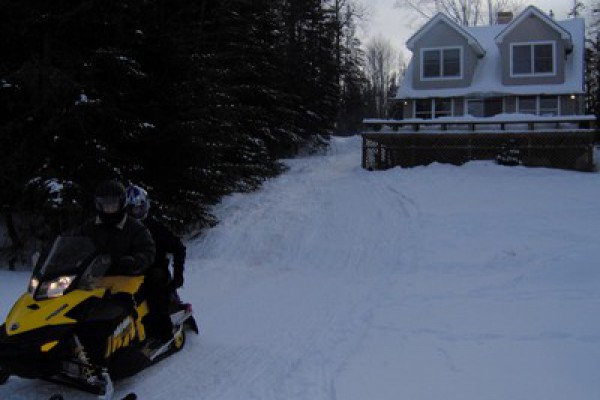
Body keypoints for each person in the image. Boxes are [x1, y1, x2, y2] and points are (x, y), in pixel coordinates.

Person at [125, 184, 187, 345]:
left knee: (153, 287)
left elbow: (178, 247)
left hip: (153, 270)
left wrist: (178, 275)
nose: (135, 213)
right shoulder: (121, 229)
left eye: (138, 209)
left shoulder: (155, 228)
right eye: (131, 209)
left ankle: (164, 331)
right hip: (128, 271)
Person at [83, 180, 155, 276]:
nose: (109, 208)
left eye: (113, 204)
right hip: (91, 278)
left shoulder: (135, 228)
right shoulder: (91, 226)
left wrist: (135, 261)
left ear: (121, 203)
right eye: (105, 204)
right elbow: (73, 243)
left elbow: (147, 250)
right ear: (99, 204)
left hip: (125, 278)